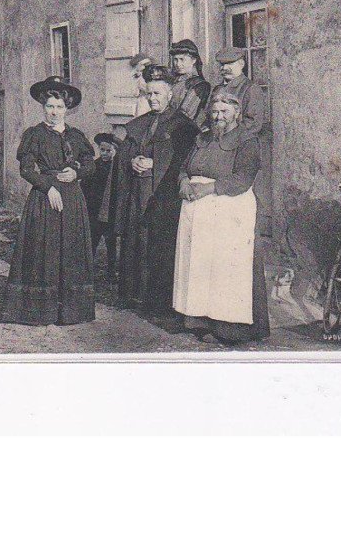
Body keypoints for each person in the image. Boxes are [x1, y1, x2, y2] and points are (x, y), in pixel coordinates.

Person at [172, 89, 270, 344]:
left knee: (225, 267)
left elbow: (243, 178)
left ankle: (229, 328)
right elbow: (184, 167)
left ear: (237, 113)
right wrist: (183, 182)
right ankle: (200, 320)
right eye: (214, 112)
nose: (218, 117)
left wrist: (209, 188)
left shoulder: (247, 141)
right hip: (198, 210)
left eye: (224, 111)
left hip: (229, 210)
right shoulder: (202, 139)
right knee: (201, 265)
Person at [2, 76, 96, 325]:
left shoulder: (76, 136)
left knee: (70, 249)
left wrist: (76, 172)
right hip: (45, 200)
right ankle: (41, 311)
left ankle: (70, 312)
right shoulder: (34, 135)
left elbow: (90, 164)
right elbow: (26, 169)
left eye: (59, 107)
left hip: (72, 199)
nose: (54, 112)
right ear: (43, 107)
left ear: (67, 108)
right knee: (45, 249)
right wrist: (47, 186)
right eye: (50, 106)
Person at [116, 64, 200, 313]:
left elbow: (187, 160)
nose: (152, 99)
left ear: (170, 94)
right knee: (137, 241)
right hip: (138, 193)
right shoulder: (139, 124)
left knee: (161, 244)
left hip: (164, 197)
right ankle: (135, 294)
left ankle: (160, 301)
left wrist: (156, 163)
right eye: (149, 94)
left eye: (157, 94)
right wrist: (132, 160)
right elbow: (124, 154)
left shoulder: (183, 126)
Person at [81, 132, 121, 287]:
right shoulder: (94, 166)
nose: (104, 153)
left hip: (110, 213)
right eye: (102, 150)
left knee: (111, 244)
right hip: (94, 212)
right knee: (92, 242)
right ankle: (87, 273)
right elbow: (84, 187)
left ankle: (111, 273)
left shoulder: (117, 169)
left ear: (114, 151)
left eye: (108, 150)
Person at [212, 47, 266, 138]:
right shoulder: (217, 89)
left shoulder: (251, 88)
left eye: (230, 63)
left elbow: (253, 124)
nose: (224, 68)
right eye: (222, 64)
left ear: (241, 64)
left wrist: (227, 138)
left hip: (239, 142)